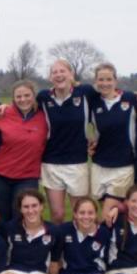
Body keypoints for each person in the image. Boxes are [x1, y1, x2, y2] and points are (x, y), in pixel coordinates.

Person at [37, 59, 93, 223]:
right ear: (50, 77)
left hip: (77, 163)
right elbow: (23, 107)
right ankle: (58, 247)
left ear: (71, 74)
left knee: (81, 215)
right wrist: (4, 108)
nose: (59, 75)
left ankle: (80, 247)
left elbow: (109, 97)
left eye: (63, 71)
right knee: (58, 215)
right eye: (55, 72)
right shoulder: (43, 97)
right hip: (51, 163)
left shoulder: (85, 92)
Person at [0, 80, 48, 223]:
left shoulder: (44, 117)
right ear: (13, 98)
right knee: (0, 218)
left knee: (23, 217)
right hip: (1, 176)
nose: (23, 99)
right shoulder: (4, 113)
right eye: (18, 96)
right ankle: (1, 245)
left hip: (27, 177)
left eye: (27, 95)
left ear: (34, 96)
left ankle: (20, 245)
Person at [90, 63, 137, 220]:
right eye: (101, 79)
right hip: (99, 164)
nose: (104, 83)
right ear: (96, 81)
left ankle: (106, 242)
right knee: (110, 211)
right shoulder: (93, 102)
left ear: (115, 80)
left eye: (108, 79)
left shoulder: (131, 99)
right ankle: (121, 235)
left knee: (106, 213)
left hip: (123, 166)